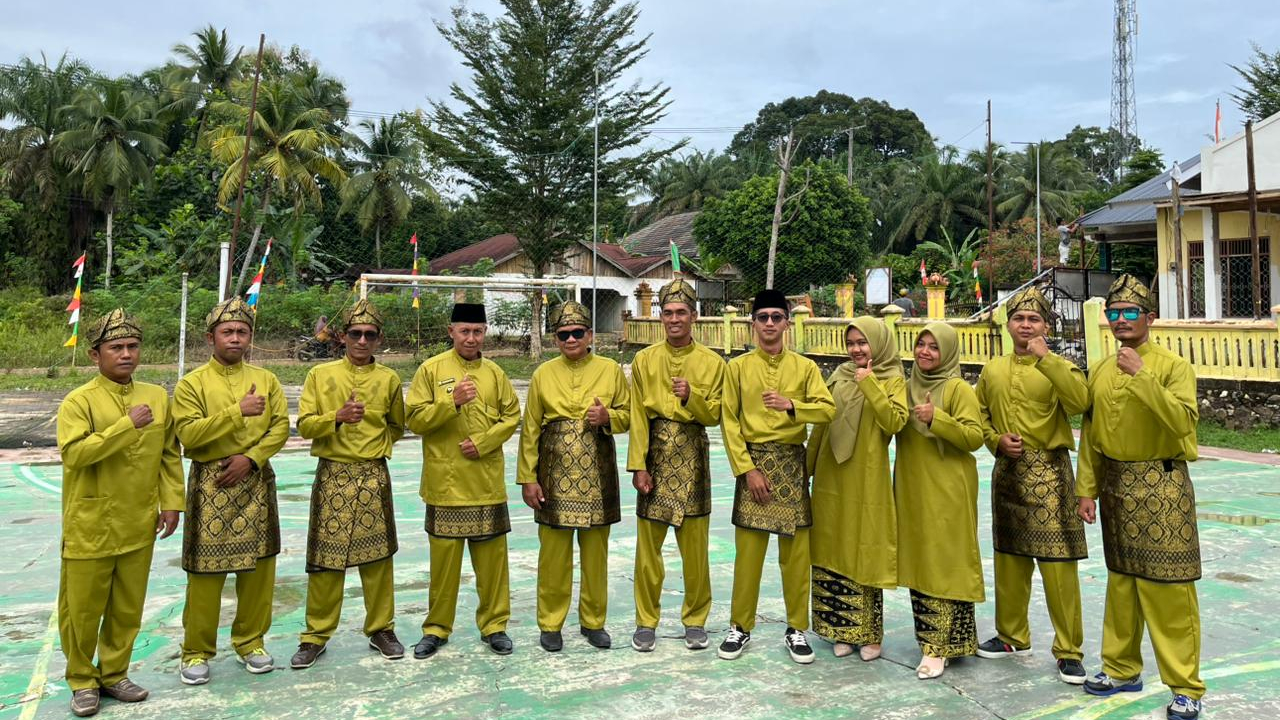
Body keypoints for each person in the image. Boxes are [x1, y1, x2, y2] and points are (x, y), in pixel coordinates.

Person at [1077, 274, 1205, 720]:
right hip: (1116, 486)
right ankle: (1120, 668)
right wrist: (1086, 490)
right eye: (1113, 313)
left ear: (1150, 317)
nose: (1120, 320)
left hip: (1162, 485)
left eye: (1130, 312)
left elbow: (1183, 425)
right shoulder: (1099, 371)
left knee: (1169, 589)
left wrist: (1144, 377)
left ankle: (1185, 686)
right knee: (1122, 583)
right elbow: (1091, 435)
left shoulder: (1172, 366)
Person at [56, 310, 183, 717]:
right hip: (90, 522)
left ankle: (114, 673)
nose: (126, 354)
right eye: (117, 348)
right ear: (96, 355)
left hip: (138, 519)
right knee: (81, 609)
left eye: (132, 347)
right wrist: (125, 426)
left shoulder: (157, 396)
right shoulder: (79, 401)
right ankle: (81, 679)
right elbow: (75, 454)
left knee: (128, 605)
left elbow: (168, 454)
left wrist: (172, 502)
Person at [974, 288, 1089, 684]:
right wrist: (995, 441)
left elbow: (1080, 403)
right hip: (1008, 471)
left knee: (1058, 565)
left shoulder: (1060, 365)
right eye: (1019, 319)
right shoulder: (992, 370)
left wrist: (1046, 358)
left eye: (1034, 320)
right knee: (1009, 558)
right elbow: (981, 415)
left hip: (1050, 474)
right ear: (1008, 325)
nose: (1025, 326)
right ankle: (1011, 635)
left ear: (1046, 326)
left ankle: (1069, 650)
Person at [174, 297, 289, 685]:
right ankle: (195, 650)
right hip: (211, 482)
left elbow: (280, 428)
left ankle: (251, 641)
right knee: (206, 573)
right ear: (211, 337)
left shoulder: (267, 379)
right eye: (228, 332)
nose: (235, 338)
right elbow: (188, 434)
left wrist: (252, 458)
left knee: (259, 568)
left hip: (255, 480)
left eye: (242, 332)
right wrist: (236, 412)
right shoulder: (192, 384)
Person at [717, 289, 835, 665]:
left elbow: (827, 410)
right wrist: (747, 469)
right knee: (748, 555)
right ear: (753, 323)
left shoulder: (805, 368)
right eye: (763, 317)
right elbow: (729, 422)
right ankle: (740, 626)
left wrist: (792, 407)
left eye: (776, 317)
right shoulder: (736, 368)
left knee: (796, 556)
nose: (769, 323)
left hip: (790, 462)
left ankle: (797, 628)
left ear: (787, 323)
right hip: (753, 464)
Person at [291, 299, 406, 669]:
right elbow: (305, 425)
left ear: (378, 339)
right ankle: (315, 635)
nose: (361, 341)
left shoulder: (389, 379)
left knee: (378, 558)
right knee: (326, 558)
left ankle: (381, 629)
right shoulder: (320, 377)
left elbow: (397, 425)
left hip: (373, 473)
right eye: (355, 334)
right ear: (342, 337)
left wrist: (377, 448)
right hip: (333, 473)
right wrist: (336, 418)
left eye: (369, 335)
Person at [408, 302, 521, 659]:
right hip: (445, 483)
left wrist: (485, 443)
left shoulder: (495, 373)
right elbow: (414, 420)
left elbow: (511, 416)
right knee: (444, 566)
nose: (471, 338)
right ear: (451, 332)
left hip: (486, 482)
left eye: (477, 331)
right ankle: (436, 628)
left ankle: (495, 625)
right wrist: (450, 403)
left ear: (484, 333)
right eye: (464, 331)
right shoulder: (431, 370)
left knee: (492, 564)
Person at [518, 300, 630, 652]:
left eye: (577, 333)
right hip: (552, 472)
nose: (570, 339)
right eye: (563, 334)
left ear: (590, 335)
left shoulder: (611, 370)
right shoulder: (543, 374)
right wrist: (527, 478)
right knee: (553, 554)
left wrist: (608, 417)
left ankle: (593, 621)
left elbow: (629, 416)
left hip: (598, 470)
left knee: (596, 552)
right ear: (555, 338)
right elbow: (530, 428)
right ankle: (550, 623)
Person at [627, 278, 724, 653]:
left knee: (695, 549)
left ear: (694, 316)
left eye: (681, 312)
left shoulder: (713, 363)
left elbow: (715, 414)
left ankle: (695, 619)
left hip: (693, 456)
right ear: (660, 317)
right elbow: (637, 416)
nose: (674, 319)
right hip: (654, 455)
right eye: (667, 313)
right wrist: (638, 465)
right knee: (648, 551)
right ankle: (645, 621)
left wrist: (691, 398)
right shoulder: (644, 360)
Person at [807, 316, 908, 662]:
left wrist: (871, 385)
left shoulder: (892, 379)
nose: (856, 350)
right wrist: (805, 468)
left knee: (864, 545)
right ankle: (839, 628)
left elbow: (894, 422)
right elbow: (821, 424)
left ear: (878, 343)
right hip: (830, 475)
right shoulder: (837, 376)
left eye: (862, 342)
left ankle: (868, 632)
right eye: (851, 343)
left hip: (867, 475)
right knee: (832, 544)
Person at [894, 322, 985, 680]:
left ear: (946, 351)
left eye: (934, 346)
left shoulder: (958, 388)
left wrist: (937, 418)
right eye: (921, 345)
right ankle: (956, 641)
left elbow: (974, 437)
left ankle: (936, 647)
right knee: (921, 559)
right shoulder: (905, 387)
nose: (925, 352)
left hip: (949, 488)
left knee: (946, 560)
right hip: (913, 486)